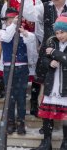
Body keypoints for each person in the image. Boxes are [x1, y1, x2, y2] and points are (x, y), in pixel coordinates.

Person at [1, 0, 41, 116]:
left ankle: (34, 103)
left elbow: (39, 23)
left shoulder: (36, 1)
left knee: (35, 73)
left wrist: (39, 41)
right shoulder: (9, 3)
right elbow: (4, 24)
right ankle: (12, 115)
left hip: (29, 40)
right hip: (13, 43)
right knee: (14, 84)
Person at [0, 8, 37, 135]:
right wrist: (13, 26)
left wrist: (25, 33)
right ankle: (10, 121)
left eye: (14, 21)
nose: (11, 23)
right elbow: (6, 38)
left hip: (22, 68)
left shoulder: (26, 34)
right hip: (8, 67)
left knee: (21, 96)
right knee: (10, 97)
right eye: (9, 21)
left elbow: (32, 46)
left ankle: (21, 121)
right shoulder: (3, 32)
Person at [33, 14, 67, 149]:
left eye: (63, 32)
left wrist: (54, 53)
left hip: (65, 84)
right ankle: (47, 141)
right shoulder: (52, 42)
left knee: (65, 116)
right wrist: (49, 62)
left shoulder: (53, 47)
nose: (59, 36)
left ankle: (65, 142)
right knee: (47, 115)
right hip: (52, 83)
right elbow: (43, 60)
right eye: (57, 33)